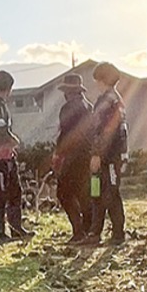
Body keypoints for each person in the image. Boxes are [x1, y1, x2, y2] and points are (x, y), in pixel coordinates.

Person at [0, 70, 29, 243]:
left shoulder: (0, 104)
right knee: (0, 195)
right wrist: (12, 139)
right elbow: (0, 128)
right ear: (9, 88)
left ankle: (16, 227)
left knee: (15, 192)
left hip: (6, 156)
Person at [85, 62, 127, 246]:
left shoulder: (106, 101)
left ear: (102, 80)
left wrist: (97, 154)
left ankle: (115, 233)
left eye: (97, 80)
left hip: (108, 157)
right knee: (101, 191)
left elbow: (104, 130)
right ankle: (97, 231)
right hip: (113, 154)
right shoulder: (117, 100)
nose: (96, 84)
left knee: (108, 193)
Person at [52, 73, 93, 244]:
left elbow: (65, 134)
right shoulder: (89, 106)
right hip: (88, 154)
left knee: (64, 193)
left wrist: (58, 154)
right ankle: (88, 229)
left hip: (72, 156)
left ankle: (78, 230)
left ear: (68, 92)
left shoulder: (67, 109)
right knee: (85, 194)